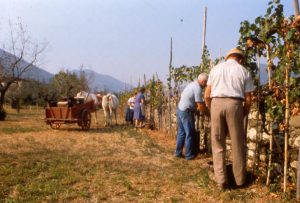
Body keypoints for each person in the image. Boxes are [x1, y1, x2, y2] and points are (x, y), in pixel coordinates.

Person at [204, 48, 254, 189]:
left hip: (216, 103)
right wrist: (243, 112)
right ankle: (240, 181)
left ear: (228, 57)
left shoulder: (216, 69)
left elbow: (207, 95)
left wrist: (211, 108)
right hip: (235, 104)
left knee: (218, 143)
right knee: (237, 144)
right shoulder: (244, 71)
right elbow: (249, 99)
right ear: (240, 59)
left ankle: (221, 180)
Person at [175, 73, 210, 160]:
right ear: (203, 81)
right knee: (189, 133)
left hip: (180, 109)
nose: (206, 85)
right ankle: (189, 155)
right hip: (186, 111)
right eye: (206, 83)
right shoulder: (197, 88)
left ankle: (178, 153)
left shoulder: (192, 84)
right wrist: (210, 115)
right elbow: (200, 105)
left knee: (181, 133)